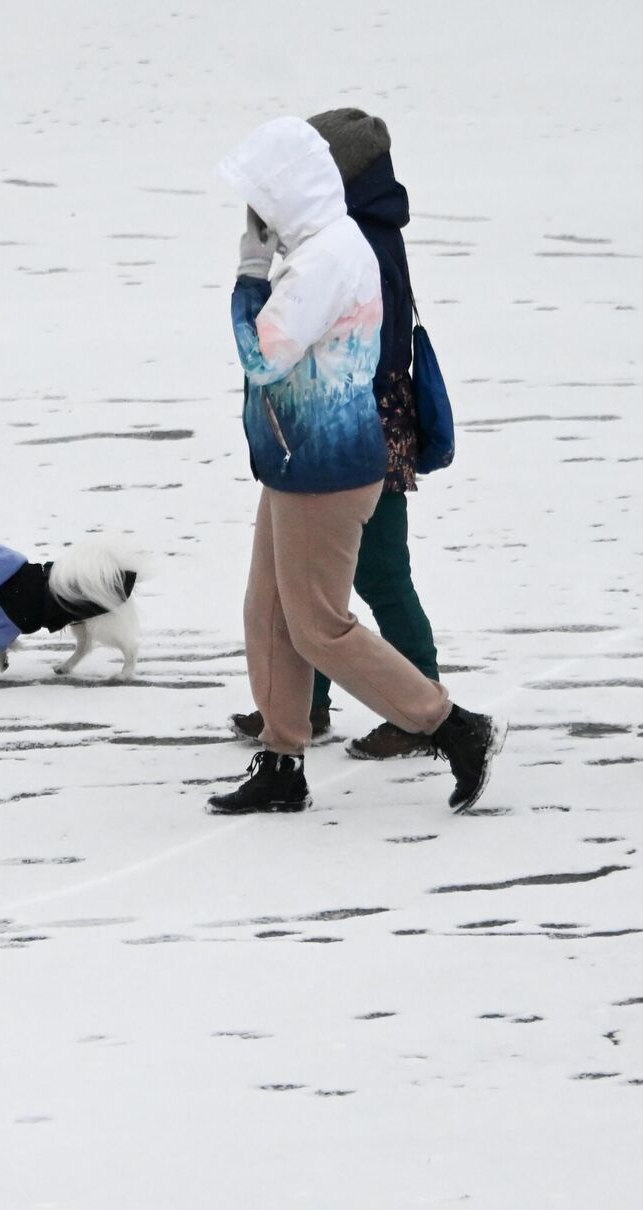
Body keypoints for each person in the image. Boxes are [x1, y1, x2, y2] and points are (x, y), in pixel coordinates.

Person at [207, 116, 503, 815]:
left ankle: (452, 727)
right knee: (271, 613)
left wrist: (249, 276)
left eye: (259, 200)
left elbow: (264, 355)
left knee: (319, 626)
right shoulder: (323, 246)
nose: (253, 216)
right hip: (294, 457)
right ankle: (282, 763)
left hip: (328, 468)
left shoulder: (326, 260)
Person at [228, 108, 442, 760]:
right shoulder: (355, 233)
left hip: (359, 431)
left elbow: (326, 349)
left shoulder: (358, 242)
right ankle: (307, 707)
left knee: (378, 574)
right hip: (355, 427)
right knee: (314, 581)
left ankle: (426, 707)